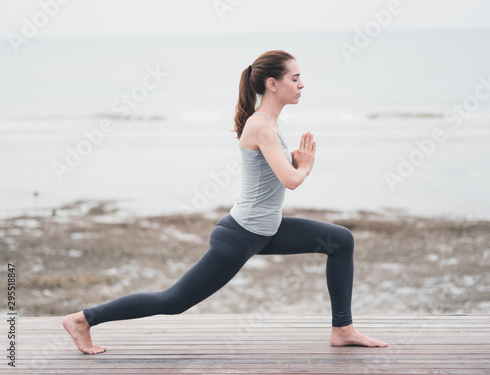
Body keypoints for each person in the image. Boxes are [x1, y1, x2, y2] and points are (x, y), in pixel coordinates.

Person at [63, 50, 388, 354]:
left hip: (265, 230)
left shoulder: (268, 125)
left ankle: (342, 329)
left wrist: (292, 161)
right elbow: (291, 180)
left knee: (340, 240)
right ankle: (83, 318)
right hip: (241, 236)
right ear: (273, 84)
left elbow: (273, 176)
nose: (302, 84)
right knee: (174, 301)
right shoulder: (261, 126)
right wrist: (304, 165)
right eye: (295, 78)